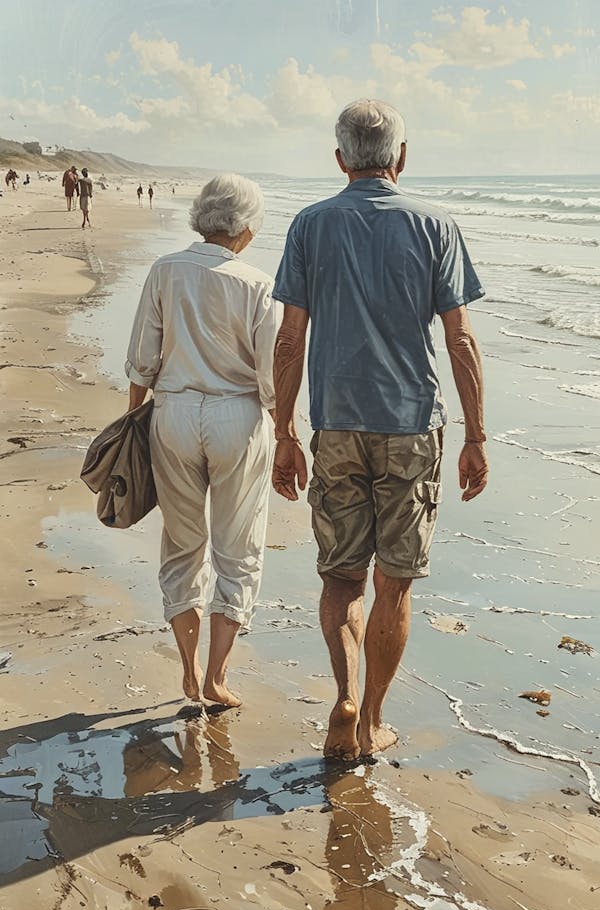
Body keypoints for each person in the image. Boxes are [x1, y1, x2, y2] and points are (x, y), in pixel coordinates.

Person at [272, 99, 488, 759]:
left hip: (335, 424)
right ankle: (368, 721)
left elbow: (289, 338)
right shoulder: (435, 226)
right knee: (395, 581)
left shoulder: (310, 226)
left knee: (341, 579)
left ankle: (341, 695)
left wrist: (282, 430)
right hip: (412, 426)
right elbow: (461, 341)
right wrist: (476, 435)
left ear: (340, 159)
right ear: (401, 157)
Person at [124, 174, 277, 708]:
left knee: (182, 544)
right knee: (238, 548)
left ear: (200, 218)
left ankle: (188, 671)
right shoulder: (258, 285)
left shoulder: (165, 269)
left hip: (174, 412)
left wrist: (134, 425)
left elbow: (143, 357)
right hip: (238, 415)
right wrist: (290, 436)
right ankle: (216, 678)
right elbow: (271, 380)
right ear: (248, 230)